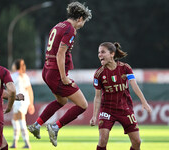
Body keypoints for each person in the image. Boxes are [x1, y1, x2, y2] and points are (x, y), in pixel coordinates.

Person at [28, 1, 92, 147]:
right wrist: (63, 77)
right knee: (82, 105)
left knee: (62, 101)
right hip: (56, 74)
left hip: (47, 70)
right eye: (83, 22)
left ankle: (37, 125)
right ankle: (55, 127)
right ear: (80, 18)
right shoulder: (70, 29)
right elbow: (60, 54)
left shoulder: (58, 25)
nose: (82, 25)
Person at [89, 42, 152, 150]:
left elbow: (135, 86)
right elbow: (98, 96)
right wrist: (94, 116)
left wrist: (144, 102)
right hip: (107, 110)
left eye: (103, 52)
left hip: (125, 108)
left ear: (112, 54)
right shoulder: (98, 74)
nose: (100, 55)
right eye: (99, 52)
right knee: (103, 139)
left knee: (137, 142)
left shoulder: (125, 68)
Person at [10, 59, 35, 148]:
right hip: (24, 100)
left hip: (18, 100)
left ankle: (27, 143)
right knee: (15, 120)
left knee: (21, 120)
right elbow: (30, 91)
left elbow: (10, 89)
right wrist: (31, 103)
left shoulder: (13, 76)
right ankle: (15, 142)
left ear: (15, 66)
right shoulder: (25, 76)